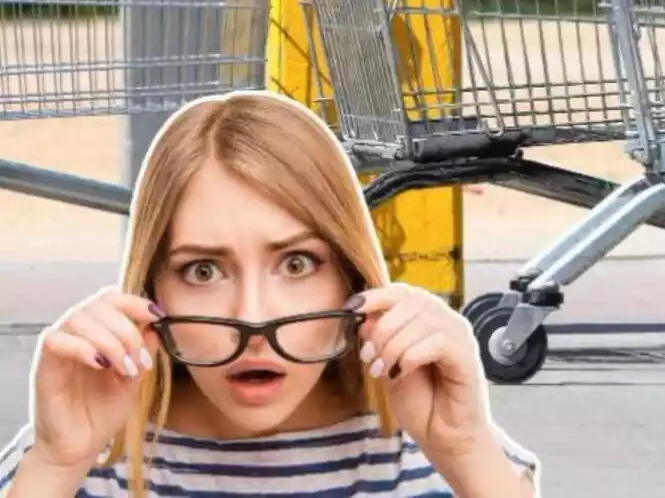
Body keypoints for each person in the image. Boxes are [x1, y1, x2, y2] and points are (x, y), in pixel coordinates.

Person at [0, 90, 540, 497]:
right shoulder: (82, 453)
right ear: (151, 289)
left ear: (350, 276)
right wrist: (55, 465)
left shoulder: (423, 450)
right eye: (203, 271)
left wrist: (467, 453)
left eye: (297, 263)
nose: (254, 319)